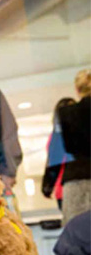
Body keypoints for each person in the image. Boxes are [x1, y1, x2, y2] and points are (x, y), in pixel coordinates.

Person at [58, 68, 91, 225]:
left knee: (77, 237)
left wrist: (48, 185)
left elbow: (64, 149)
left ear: (77, 90)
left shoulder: (66, 113)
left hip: (76, 180)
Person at [42, 97, 76, 210]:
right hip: (67, 188)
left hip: (65, 189)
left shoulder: (55, 137)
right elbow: (53, 163)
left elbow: (52, 163)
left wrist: (47, 185)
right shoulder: (56, 137)